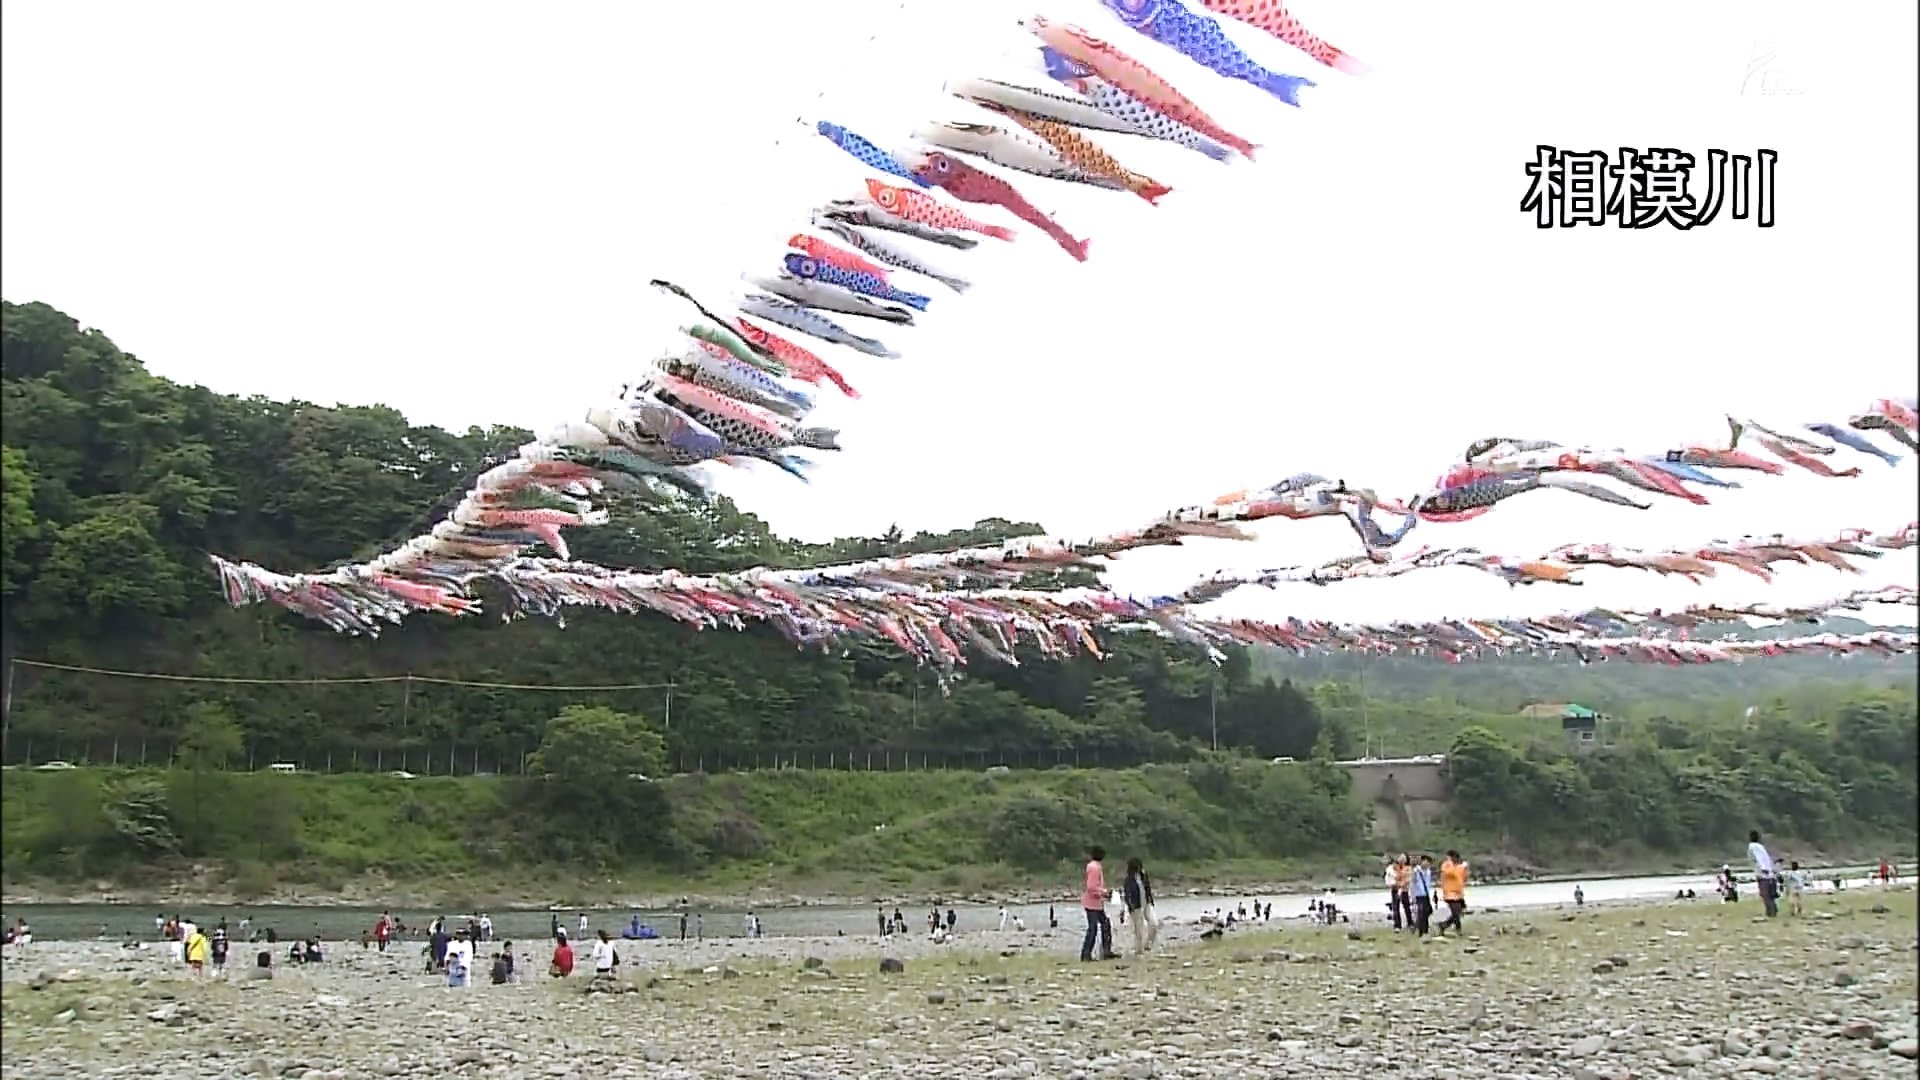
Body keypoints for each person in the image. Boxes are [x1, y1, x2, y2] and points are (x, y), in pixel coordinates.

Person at [1080, 845, 1116, 961]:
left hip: (1096, 903)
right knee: (1094, 928)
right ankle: (1087, 954)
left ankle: (1105, 951)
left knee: (1104, 925)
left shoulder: (1093, 866)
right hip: (1092, 903)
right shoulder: (1095, 868)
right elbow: (1091, 887)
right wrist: (1104, 893)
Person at [1122, 856, 1159, 955]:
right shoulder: (1128, 880)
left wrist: (1150, 900)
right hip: (1136, 906)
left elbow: (1147, 888)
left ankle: (1148, 944)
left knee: (1154, 923)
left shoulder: (1143, 876)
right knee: (1139, 929)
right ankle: (1139, 950)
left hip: (1146, 903)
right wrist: (1131, 906)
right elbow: (1127, 894)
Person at [1436, 850, 1469, 936]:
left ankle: (1443, 925)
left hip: (1459, 893)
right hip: (1449, 893)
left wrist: (1465, 869)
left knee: (1458, 912)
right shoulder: (1446, 865)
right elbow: (1450, 873)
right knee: (1456, 912)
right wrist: (1451, 863)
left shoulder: (1458, 867)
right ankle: (1458, 929)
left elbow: (1464, 878)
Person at [1748, 831, 1778, 918]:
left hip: (1762, 874)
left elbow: (1759, 858)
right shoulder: (1761, 846)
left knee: (1765, 894)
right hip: (1770, 874)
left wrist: (1763, 869)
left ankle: (1771, 912)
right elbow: (1767, 859)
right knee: (1770, 895)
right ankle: (1773, 910)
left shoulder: (1752, 846)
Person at [1410, 855, 1436, 936]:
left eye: (1429, 863)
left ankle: (1424, 930)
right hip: (1419, 895)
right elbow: (1412, 883)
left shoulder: (1428, 871)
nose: (1428, 864)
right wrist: (1412, 896)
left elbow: (1428, 883)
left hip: (1426, 894)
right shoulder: (1416, 871)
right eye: (1427, 862)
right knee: (1421, 913)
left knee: (1426, 912)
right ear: (1422, 861)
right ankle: (1421, 932)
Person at [1389, 855, 1413, 931]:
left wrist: (1403, 884)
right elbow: (1390, 877)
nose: (1401, 859)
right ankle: (1397, 925)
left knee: (1406, 907)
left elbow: (1409, 879)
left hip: (1404, 889)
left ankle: (1410, 923)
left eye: (1403, 858)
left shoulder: (1408, 868)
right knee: (1395, 907)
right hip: (1395, 888)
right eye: (1400, 857)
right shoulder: (1393, 867)